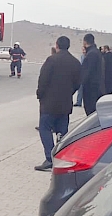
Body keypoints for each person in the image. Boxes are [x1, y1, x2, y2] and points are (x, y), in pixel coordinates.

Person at [34, 36, 81, 171]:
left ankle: (50, 158)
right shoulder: (75, 63)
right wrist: (69, 93)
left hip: (49, 103)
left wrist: (40, 95)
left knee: (45, 128)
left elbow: (43, 80)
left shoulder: (51, 60)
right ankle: (62, 156)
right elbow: (78, 83)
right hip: (65, 103)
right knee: (62, 131)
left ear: (57, 45)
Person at [81, 33, 105, 116]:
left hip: (91, 89)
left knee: (91, 112)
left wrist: (81, 81)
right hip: (97, 88)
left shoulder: (91, 54)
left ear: (85, 42)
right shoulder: (96, 52)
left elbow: (87, 72)